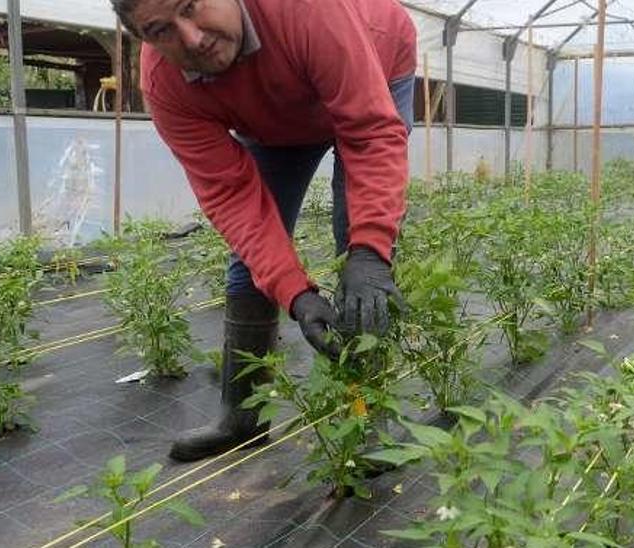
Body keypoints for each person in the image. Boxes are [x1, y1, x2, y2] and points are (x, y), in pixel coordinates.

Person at [110, 0, 416, 462]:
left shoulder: (304, 9)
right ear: (144, 40)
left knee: (355, 246)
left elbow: (370, 132)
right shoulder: (166, 83)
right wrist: (296, 294)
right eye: (161, 30)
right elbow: (233, 198)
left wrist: (371, 250)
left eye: (191, 6)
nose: (192, 38)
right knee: (249, 262)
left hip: (374, 58)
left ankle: (368, 417)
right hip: (274, 115)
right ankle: (240, 419)